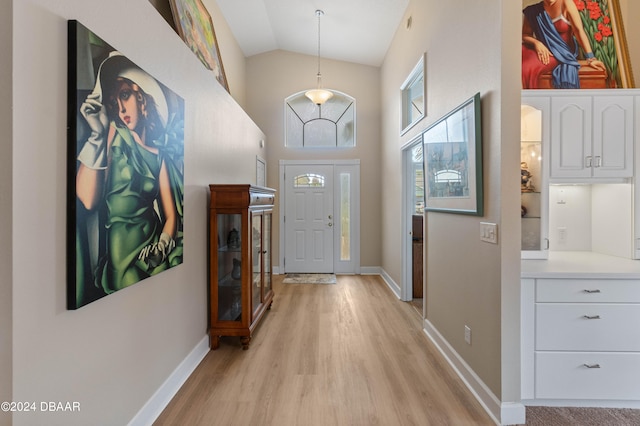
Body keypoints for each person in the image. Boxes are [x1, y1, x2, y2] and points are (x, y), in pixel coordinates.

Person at [76, 52, 184, 294]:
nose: (121, 107)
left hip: (154, 249)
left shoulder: (159, 156)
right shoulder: (113, 135)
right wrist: (96, 135)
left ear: (141, 96)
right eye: (115, 101)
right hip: (122, 257)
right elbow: (87, 199)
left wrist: (162, 246)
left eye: (125, 95)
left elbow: (170, 217)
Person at [522, 0, 606, 89]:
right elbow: (525, 35)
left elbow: (579, 31)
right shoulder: (533, 11)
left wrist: (591, 58)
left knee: (527, 67)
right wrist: (537, 43)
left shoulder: (566, 3)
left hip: (562, 54)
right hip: (543, 52)